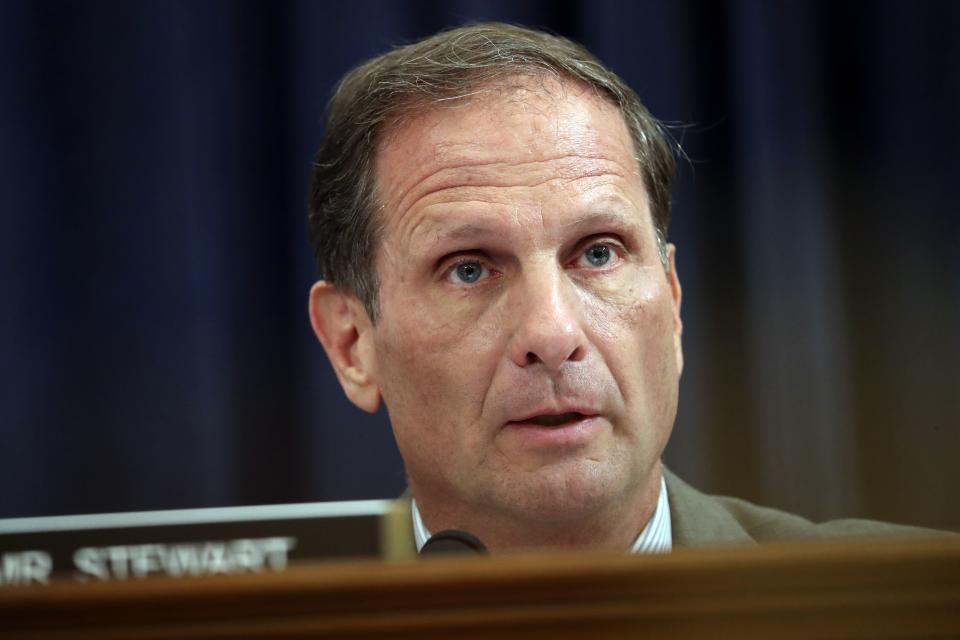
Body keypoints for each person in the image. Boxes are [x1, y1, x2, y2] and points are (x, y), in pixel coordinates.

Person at [306, 23, 937, 553]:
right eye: (469, 268)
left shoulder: (913, 601)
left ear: (673, 303)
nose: (552, 334)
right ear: (352, 344)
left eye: (599, 253)